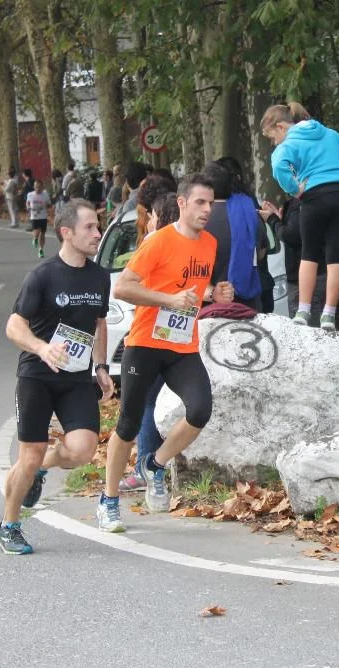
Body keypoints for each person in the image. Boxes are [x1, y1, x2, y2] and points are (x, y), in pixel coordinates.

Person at [99, 174, 235, 531]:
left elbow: (192, 288)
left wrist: (213, 295)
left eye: (211, 203)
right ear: (182, 203)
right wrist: (168, 300)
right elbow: (123, 288)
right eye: (200, 202)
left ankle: (155, 465)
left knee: (200, 410)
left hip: (181, 345)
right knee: (128, 424)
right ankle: (109, 501)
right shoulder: (158, 241)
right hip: (145, 344)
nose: (207, 210)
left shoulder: (209, 244)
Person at [0, 199, 114, 555]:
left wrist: (101, 367)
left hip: (75, 377)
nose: (97, 233)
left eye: (98, 226)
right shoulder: (43, 275)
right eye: (90, 227)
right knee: (29, 454)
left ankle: (38, 468)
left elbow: (98, 323)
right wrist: (41, 347)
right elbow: (14, 326)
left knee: (82, 450)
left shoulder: (99, 276)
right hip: (37, 376)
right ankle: (9, 526)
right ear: (66, 232)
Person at [262, 102, 339, 330]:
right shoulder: (329, 134)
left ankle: (303, 311)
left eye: (273, 137)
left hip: (314, 198)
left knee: (309, 254)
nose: (275, 143)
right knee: (336, 257)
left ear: (281, 126)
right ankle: (329, 315)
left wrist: (295, 190)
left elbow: (279, 166)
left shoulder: (289, 143)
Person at [117, 190, 181, 493]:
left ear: (162, 217)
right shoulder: (190, 243)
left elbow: (132, 288)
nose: (150, 221)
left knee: (146, 402)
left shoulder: (154, 243)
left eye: (153, 216)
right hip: (181, 335)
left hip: (152, 333)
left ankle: (146, 466)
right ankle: (157, 464)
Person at [202, 160, 264, 311]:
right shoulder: (249, 212)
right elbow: (261, 252)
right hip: (248, 304)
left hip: (210, 305)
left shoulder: (200, 219)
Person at [260, 196, 326, 325]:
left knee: (306, 328)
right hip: (309, 274)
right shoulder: (296, 202)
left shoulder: (301, 202)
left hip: (305, 279)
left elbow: (291, 235)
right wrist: (279, 219)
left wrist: (272, 219)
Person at [27, 179, 51, 259]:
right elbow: (28, 202)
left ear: (42, 187)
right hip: (34, 216)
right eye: (36, 187)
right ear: (34, 187)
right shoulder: (30, 194)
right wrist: (28, 207)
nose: (38, 189)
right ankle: (35, 238)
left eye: (39, 187)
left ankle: (41, 250)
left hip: (43, 216)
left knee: (42, 233)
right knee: (37, 231)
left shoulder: (45, 194)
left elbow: (49, 204)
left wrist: (46, 206)